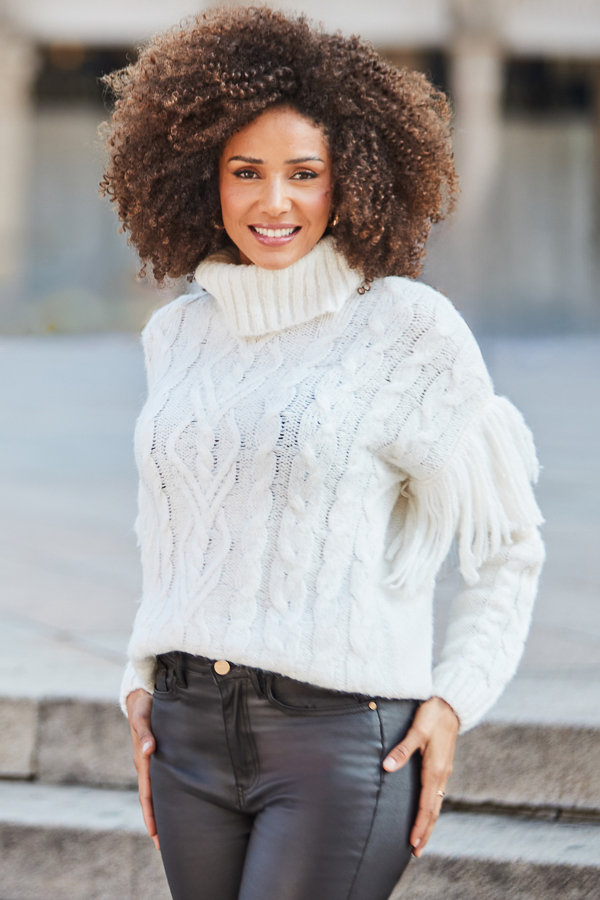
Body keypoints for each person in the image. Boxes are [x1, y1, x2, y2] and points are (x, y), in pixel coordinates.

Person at [100, 7, 544, 900]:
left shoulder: (406, 329)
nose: (274, 202)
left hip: (340, 744)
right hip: (186, 732)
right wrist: (142, 680)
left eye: (305, 174)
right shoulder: (176, 336)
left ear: (351, 182)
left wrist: (454, 700)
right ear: (203, 180)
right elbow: (174, 527)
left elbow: (509, 548)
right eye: (246, 172)